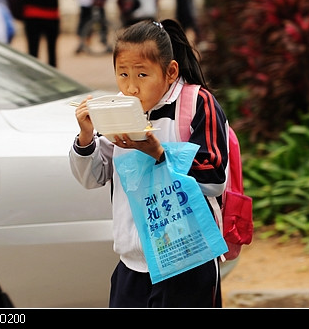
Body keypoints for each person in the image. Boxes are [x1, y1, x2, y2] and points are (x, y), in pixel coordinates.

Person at [69, 19, 229, 307]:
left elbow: (214, 178)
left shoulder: (196, 103)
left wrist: (160, 154)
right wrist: (85, 136)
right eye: (123, 74)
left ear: (170, 72)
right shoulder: (119, 108)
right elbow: (91, 177)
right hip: (132, 263)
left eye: (142, 74)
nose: (131, 88)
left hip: (187, 259)